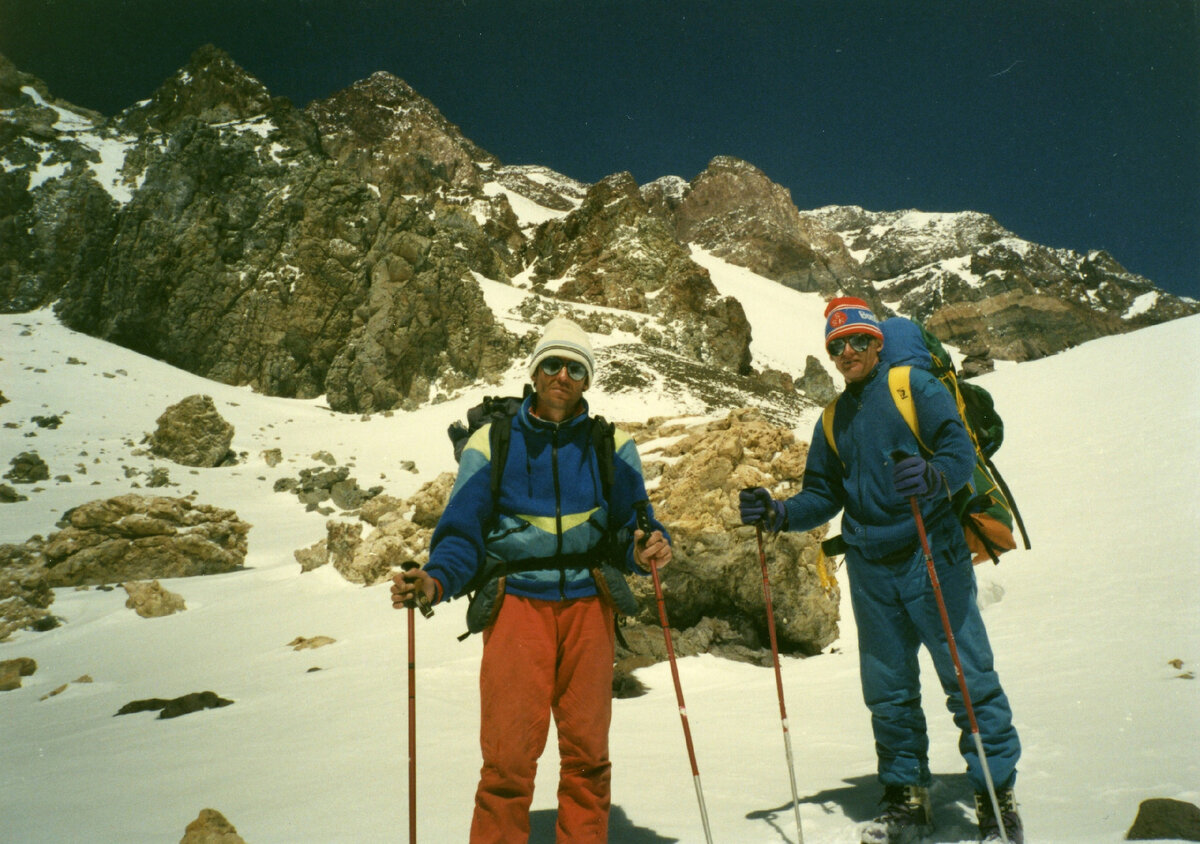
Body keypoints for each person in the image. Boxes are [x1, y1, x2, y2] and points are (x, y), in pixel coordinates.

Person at [739, 297, 1022, 844]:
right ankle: (906, 799)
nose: (848, 351)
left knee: (967, 679)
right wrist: (778, 512)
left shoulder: (912, 388)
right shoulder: (832, 418)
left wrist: (936, 475)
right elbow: (822, 494)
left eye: (858, 341)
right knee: (887, 690)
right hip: (871, 568)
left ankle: (996, 797)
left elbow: (957, 449)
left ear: (876, 343)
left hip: (931, 551)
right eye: (837, 345)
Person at [392, 316, 672, 844]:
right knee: (507, 761)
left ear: (587, 380)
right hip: (517, 605)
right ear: (535, 372)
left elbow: (632, 527)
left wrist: (646, 547)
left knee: (589, 757)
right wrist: (434, 581)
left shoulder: (612, 445)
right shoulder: (492, 442)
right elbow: (461, 533)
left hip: (591, 607)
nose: (562, 375)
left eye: (575, 368)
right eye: (551, 364)